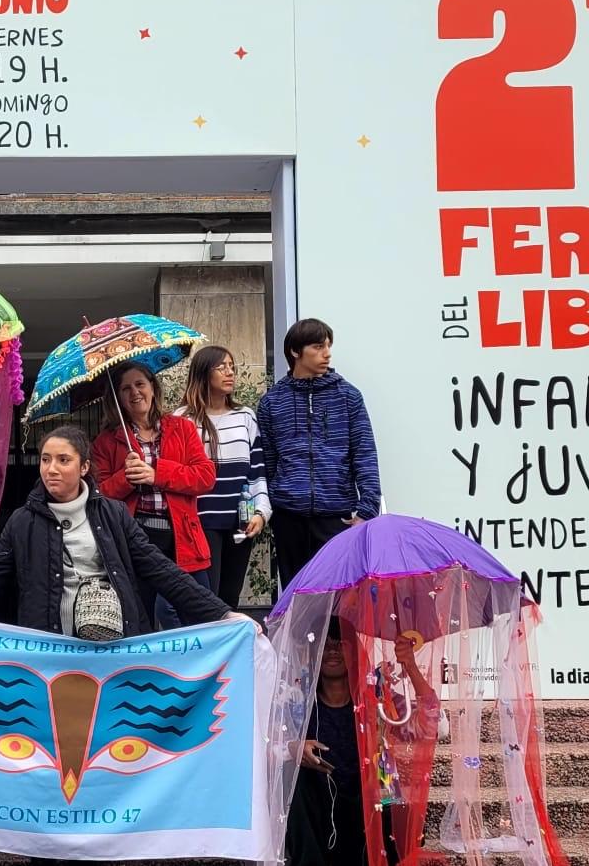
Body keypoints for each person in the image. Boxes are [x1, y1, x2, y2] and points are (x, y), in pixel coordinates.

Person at [0, 425, 247, 638]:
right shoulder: (22, 522)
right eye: (46, 459)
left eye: (63, 460)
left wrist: (222, 615)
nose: (51, 468)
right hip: (48, 652)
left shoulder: (115, 515)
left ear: (84, 466)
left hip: (115, 652)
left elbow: (163, 572)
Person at [287, 622, 430, 866]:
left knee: (386, 773)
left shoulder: (377, 698)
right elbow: (266, 745)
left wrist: (412, 669)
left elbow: (429, 727)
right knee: (294, 776)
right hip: (320, 804)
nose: (332, 651)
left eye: (340, 644)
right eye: (326, 645)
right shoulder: (299, 701)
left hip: (369, 800)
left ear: (355, 652)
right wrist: (293, 747)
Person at [89, 362, 217, 629]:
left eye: (140, 384)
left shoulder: (181, 428)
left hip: (182, 537)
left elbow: (205, 477)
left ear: (152, 387)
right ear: (117, 399)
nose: (134, 393)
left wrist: (156, 473)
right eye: (125, 388)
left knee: (199, 617)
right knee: (139, 620)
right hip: (135, 538)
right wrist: (126, 478)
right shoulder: (106, 441)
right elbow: (97, 495)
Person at [256, 319, 381, 588]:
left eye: (328, 346)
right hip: (289, 516)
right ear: (295, 352)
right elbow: (268, 462)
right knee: (296, 597)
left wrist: (366, 509)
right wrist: (273, 505)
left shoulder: (348, 396)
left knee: (340, 598)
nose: (327, 353)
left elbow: (365, 454)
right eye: (318, 346)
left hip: (338, 516)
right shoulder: (272, 402)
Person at [175, 345, 271, 608]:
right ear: (203, 373)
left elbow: (257, 472)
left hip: (240, 520)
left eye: (232, 367)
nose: (230, 373)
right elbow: (177, 474)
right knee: (206, 599)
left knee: (230, 597)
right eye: (222, 367)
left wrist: (261, 513)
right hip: (199, 522)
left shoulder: (246, 416)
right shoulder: (181, 420)